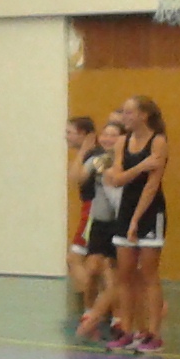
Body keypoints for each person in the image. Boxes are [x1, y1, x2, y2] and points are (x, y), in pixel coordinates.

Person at [104, 94, 169, 353]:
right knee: (125, 274)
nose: (125, 117)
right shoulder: (122, 142)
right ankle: (128, 330)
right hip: (126, 207)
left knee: (149, 274)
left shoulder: (158, 141)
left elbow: (152, 185)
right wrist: (141, 166)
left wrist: (136, 220)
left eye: (129, 112)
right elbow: (117, 179)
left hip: (150, 211)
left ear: (144, 115)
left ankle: (153, 333)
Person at [73, 119, 127, 343]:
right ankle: (90, 311)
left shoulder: (126, 161)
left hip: (118, 222)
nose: (107, 139)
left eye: (113, 135)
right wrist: (83, 152)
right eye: (105, 134)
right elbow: (78, 178)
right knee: (93, 267)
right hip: (100, 221)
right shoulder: (99, 160)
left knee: (114, 270)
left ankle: (113, 317)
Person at [66, 117, 102, 314]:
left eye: (69, 132)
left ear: (84, 135)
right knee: (95, 264)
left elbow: (75, 178)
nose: (66, 137)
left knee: (74, 259)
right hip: (91, 208)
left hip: (94, 210)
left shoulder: (96, 157)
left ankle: (95, 306)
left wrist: (81, 152)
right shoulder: (93, 155)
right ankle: (95, 305)